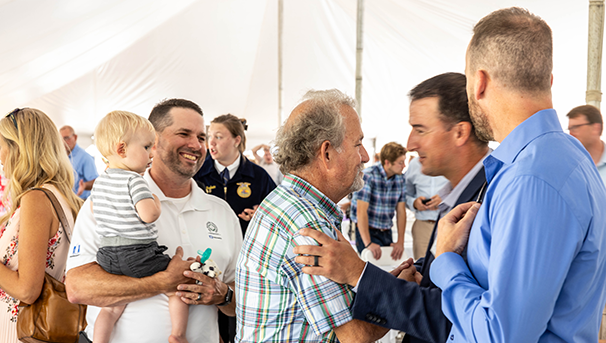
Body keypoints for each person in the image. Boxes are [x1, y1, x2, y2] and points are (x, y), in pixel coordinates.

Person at [432, 8, 606, 342]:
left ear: (479, 81)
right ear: (548, 80)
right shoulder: (563, 157)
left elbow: (503, 334)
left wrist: (447, 262)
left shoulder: (532, 179)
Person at [293, 72, 490, 343]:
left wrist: (358, 273)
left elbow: (461, 317)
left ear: (459, 132)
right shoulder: (461, 193)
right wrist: (416, 272)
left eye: (420, 129)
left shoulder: (487, 202)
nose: (410, 143)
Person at [65, 99, 243, 343]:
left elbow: (243, 299)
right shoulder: (110, 198)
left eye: (202, 137)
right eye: (184, 133)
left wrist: (222, 295)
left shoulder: (221, 212)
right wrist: (162, 282)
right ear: (153, 141)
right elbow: (77, 288)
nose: (196, 145)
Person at [236, 89, 387, 343]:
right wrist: (400, 296)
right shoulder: (308, 223)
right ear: (327, 153)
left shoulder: (285, 200)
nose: (365, 157)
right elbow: (355, 336)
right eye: (358, 144)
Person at [90, 111, 192, 343]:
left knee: (112, 308)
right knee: (176, 286)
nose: (151, 154)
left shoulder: (101, 181)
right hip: (137, 253)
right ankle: (178, 334)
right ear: (122, 149)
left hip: (107, 255)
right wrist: (155, 202)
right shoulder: (134, 180)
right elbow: (148, 215)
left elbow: (97, 212)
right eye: (146, 147)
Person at [0, 108, 83, 343]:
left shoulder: (37, 199)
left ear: (19, 147)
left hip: (20, 331)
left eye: (1, 146)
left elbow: (27, 289)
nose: (0, 156)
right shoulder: (64, 197)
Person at [194, 115, 275, 343]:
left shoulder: (259, 177)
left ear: (237, 140)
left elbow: (279, 218)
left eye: (218, 137)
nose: (211, 143)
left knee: (241, 323)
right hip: (209, 264)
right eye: (209, 137)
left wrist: (262, 214)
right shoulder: (198, 175)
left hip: (251, 266)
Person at [351, 142, 407, 260]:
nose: (404, 166)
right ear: (387, 163)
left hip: (386, 232)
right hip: (367, 232)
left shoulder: (400, 179)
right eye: (400, 163)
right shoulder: (368, 176)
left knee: (389, 271)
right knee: (371, 271)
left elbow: (401, 211)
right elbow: (361, 211)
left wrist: (400, 242)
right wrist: (368, 243)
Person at [405, 156, 448, 260]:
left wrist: (446, 199)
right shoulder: (414, 164)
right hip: (423, 225)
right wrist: (414, 203)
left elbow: (462, 188)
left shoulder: (452, 160)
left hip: (448, 224)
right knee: (422, 268)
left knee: (446, 264)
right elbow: (404, 194)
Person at [567, 105, 606, 182]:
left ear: (596, 128)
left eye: (575, 127)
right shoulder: (569, 167)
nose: (571, 134)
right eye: (569, 129)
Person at [60, 125, 99, 200]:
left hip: (80, 201)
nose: (63, 142)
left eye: (66, 138)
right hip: (66, 201)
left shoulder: (85, 157)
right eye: (61, 139)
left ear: (75, 137)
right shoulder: (61, 157)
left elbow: (95, 182)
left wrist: (84, 185)